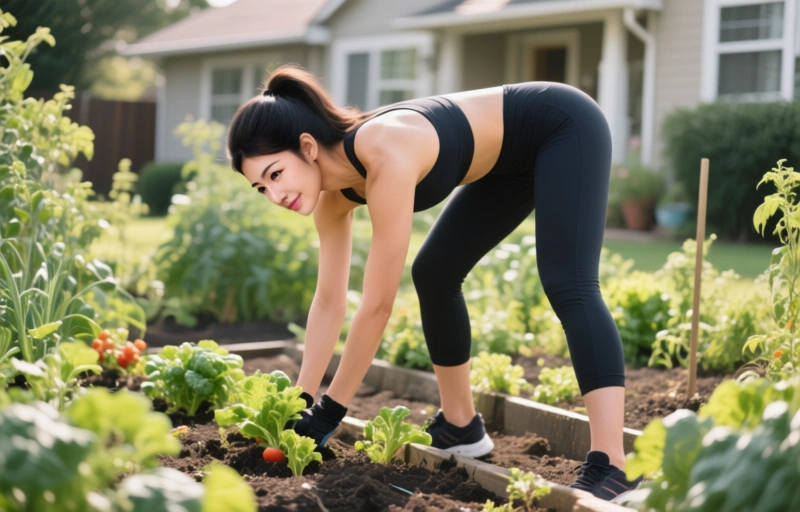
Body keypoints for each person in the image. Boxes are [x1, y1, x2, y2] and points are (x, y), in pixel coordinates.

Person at [226, 63, 642, 501]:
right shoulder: (331, 201)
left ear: (307, 147)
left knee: (568, 282)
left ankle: (613, 463)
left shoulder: (383, 151)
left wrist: (330, 412)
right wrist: (301, 403)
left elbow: (378, 304)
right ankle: (461, 425)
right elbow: (329, 301)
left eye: (275, 174)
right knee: (436, 273)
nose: (275, 196)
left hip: (561, 125)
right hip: (505, 165)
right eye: (261, 188)